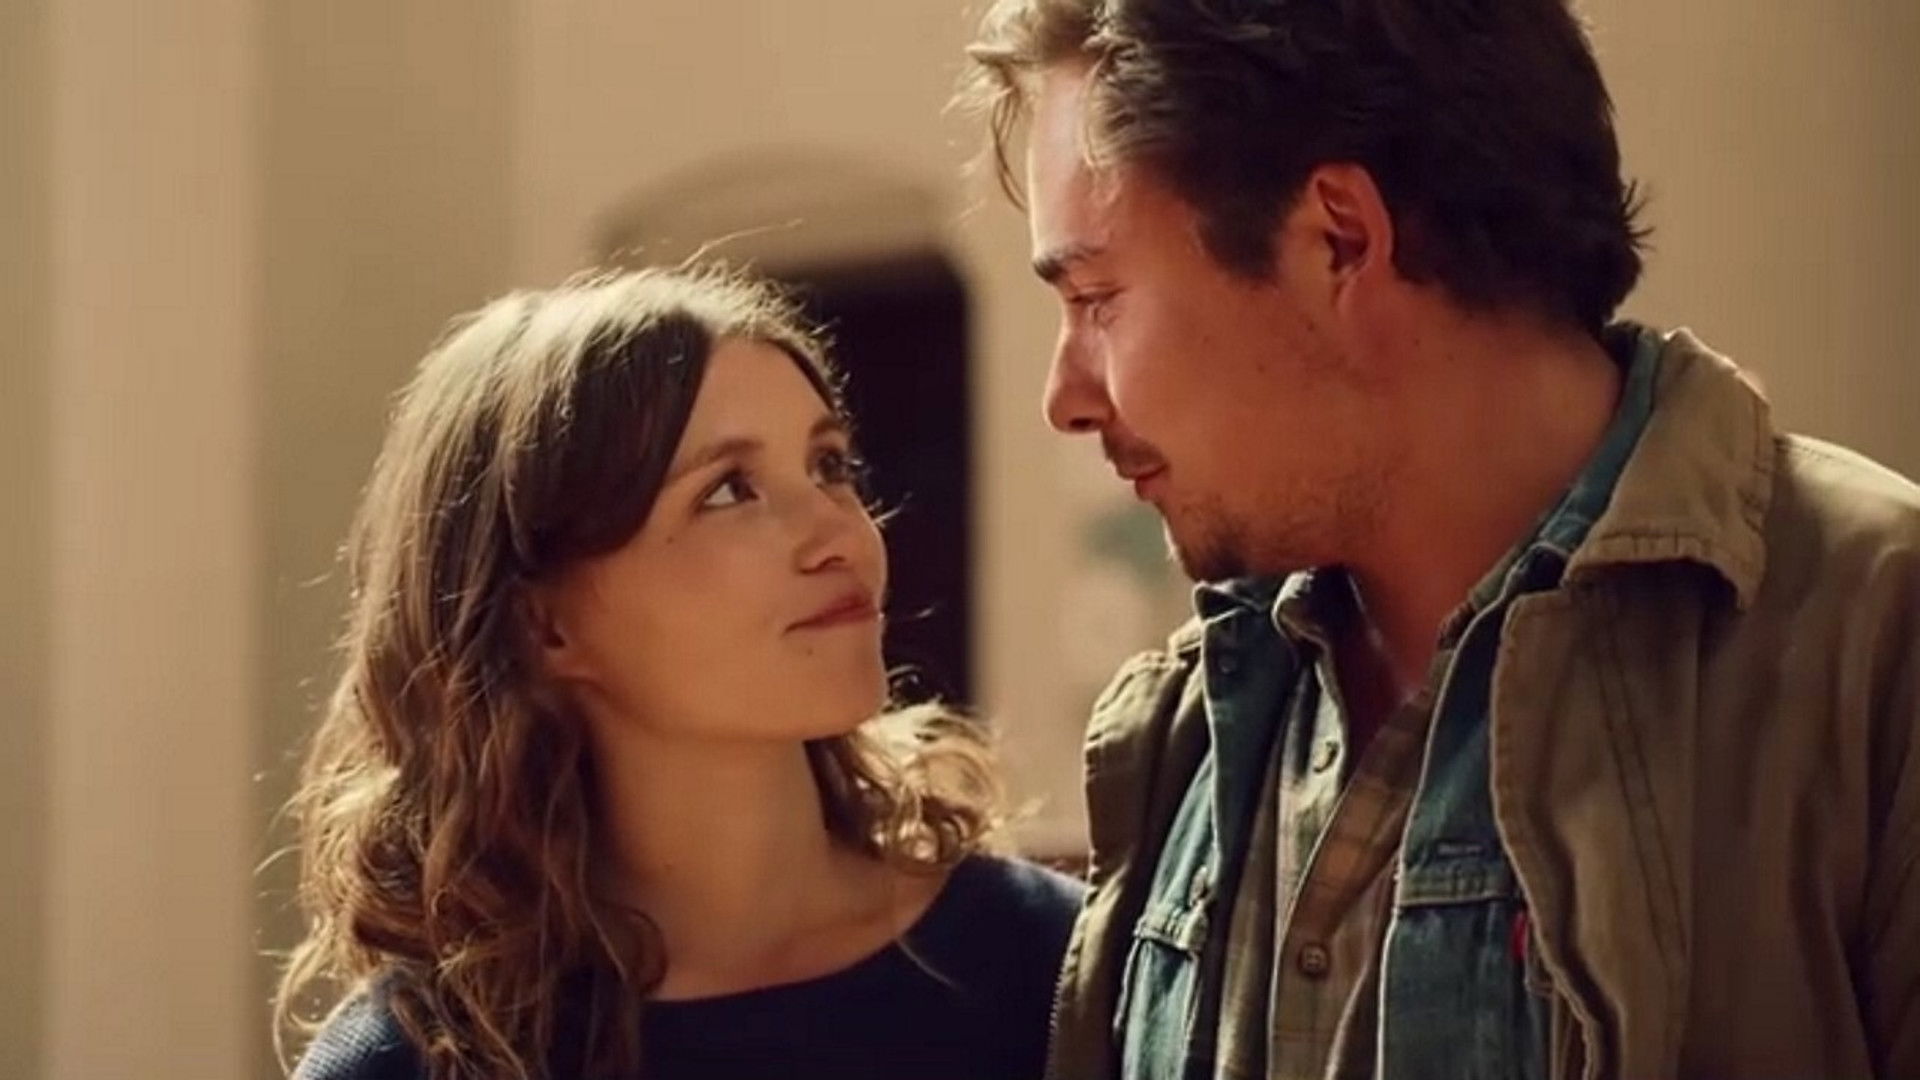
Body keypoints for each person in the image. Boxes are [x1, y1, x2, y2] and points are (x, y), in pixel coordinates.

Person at [960, 2, 1920, 1077]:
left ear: (1340, 240)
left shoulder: (1871, 638)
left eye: (1097, 298)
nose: (1063, 397)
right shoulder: (1189, 725)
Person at [274, 266, 1083, 1080]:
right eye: (729, 491)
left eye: (830, 466)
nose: (840, 534)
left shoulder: (1052, 969)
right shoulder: (416, 1062)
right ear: (543, 624)